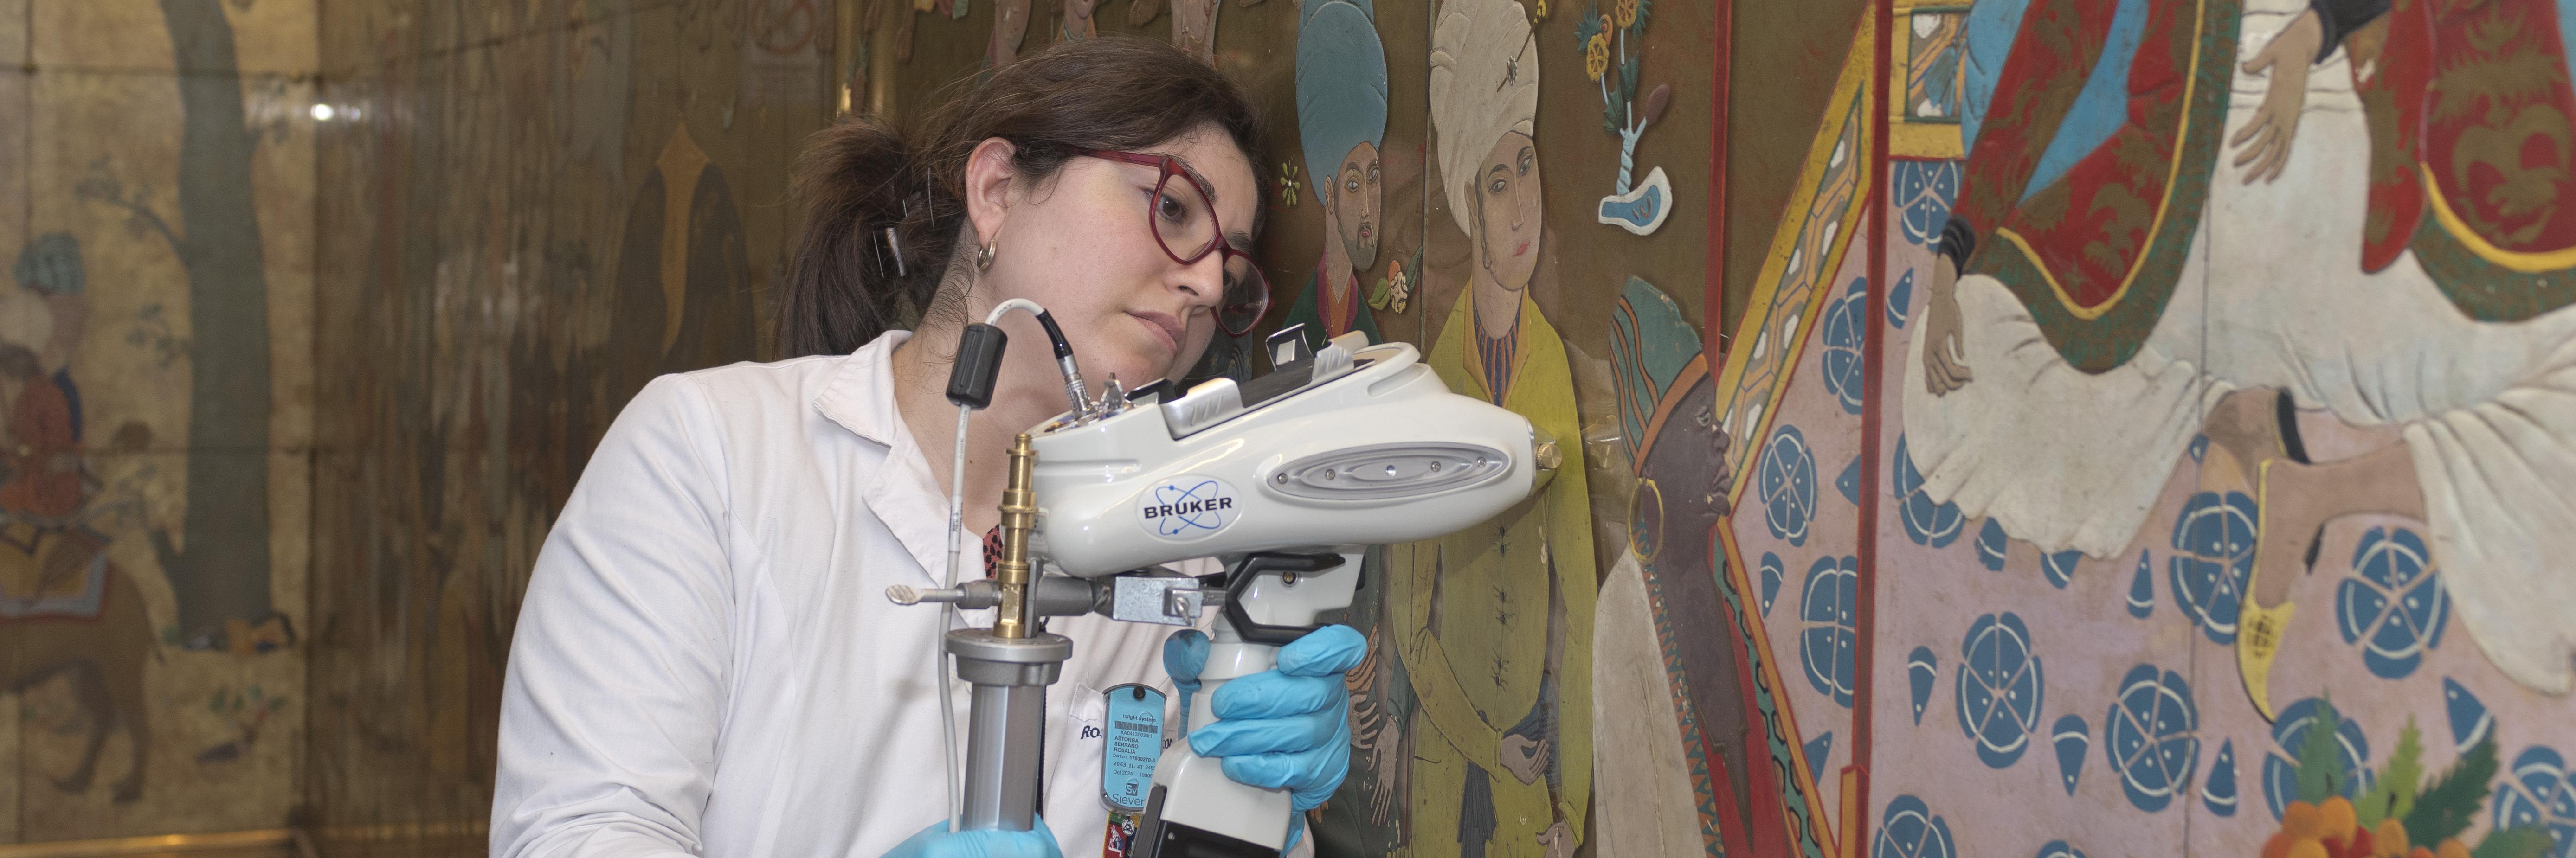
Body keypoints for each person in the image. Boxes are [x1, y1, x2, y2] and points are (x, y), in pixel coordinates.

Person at [491, 38, 1364, 858]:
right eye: (1173, 208)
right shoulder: (712, 456)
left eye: (1232, 267)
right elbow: (581, 831)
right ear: (997, 190)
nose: (1207, 283)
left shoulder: (1189, 559)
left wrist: (1251, 814)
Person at [1907, 0, 2576, 711]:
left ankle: (2310, 488)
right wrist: (1958, 246)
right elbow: (2059, 39)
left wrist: (2318, 30)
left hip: (2347, 165)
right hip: (2185, 203)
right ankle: (2244, 421)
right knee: (1964, 367)